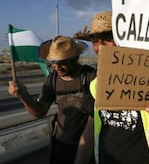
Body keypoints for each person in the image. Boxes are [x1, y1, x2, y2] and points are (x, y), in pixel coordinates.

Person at [74, 11, 149, 164]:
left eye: (108, 38)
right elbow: (90, 131)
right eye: (95, 41)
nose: (100, 47)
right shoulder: (96, 85)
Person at [8, 36, 96, 164]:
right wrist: (23, 96)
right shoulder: (52, 80)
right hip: (60, 146)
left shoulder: (90, 77)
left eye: (62, 62)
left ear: (75, 59)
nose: (57, 67)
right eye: (54, 62)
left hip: (88, 148)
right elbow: (40, 112)